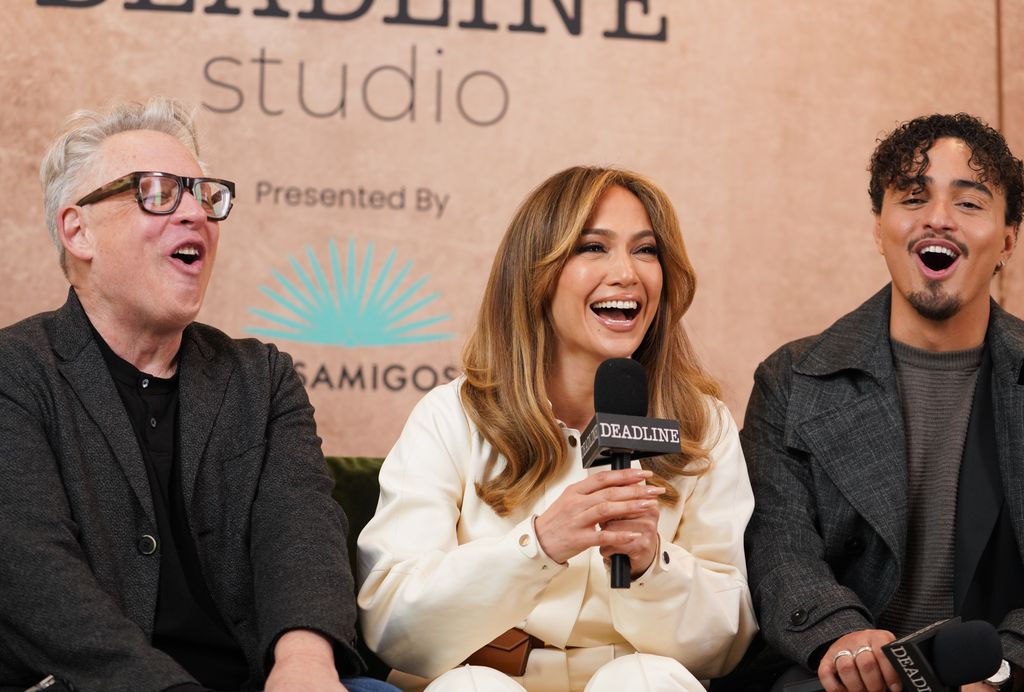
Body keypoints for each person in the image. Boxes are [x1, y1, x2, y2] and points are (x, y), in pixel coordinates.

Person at [0, 97, 396, 692]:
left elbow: (301, 538)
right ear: (77, 230)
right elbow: (33, 574)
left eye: (204, 195)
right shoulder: (16, 373)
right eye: (157, 192)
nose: (194, 214)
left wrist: (304, 666)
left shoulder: (261, 377)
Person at [356, 166, 757, 691]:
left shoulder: (702, 424)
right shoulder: (451, 416)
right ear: (535, 274)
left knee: (645, 682)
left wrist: (651, 568)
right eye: (593, 248)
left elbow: (728, 643)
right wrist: (536, 546)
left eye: (645, 250)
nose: (627, 274)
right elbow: (391, 623)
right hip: (484, 680)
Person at [741, 113, 1024, 692]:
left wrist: (1004, 667)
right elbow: (779, 549)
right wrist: (842, 636)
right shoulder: (791, 379)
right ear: (879, 228)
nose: (938, 218)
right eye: (913, 198)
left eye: (969, 204)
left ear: (1008, 241)